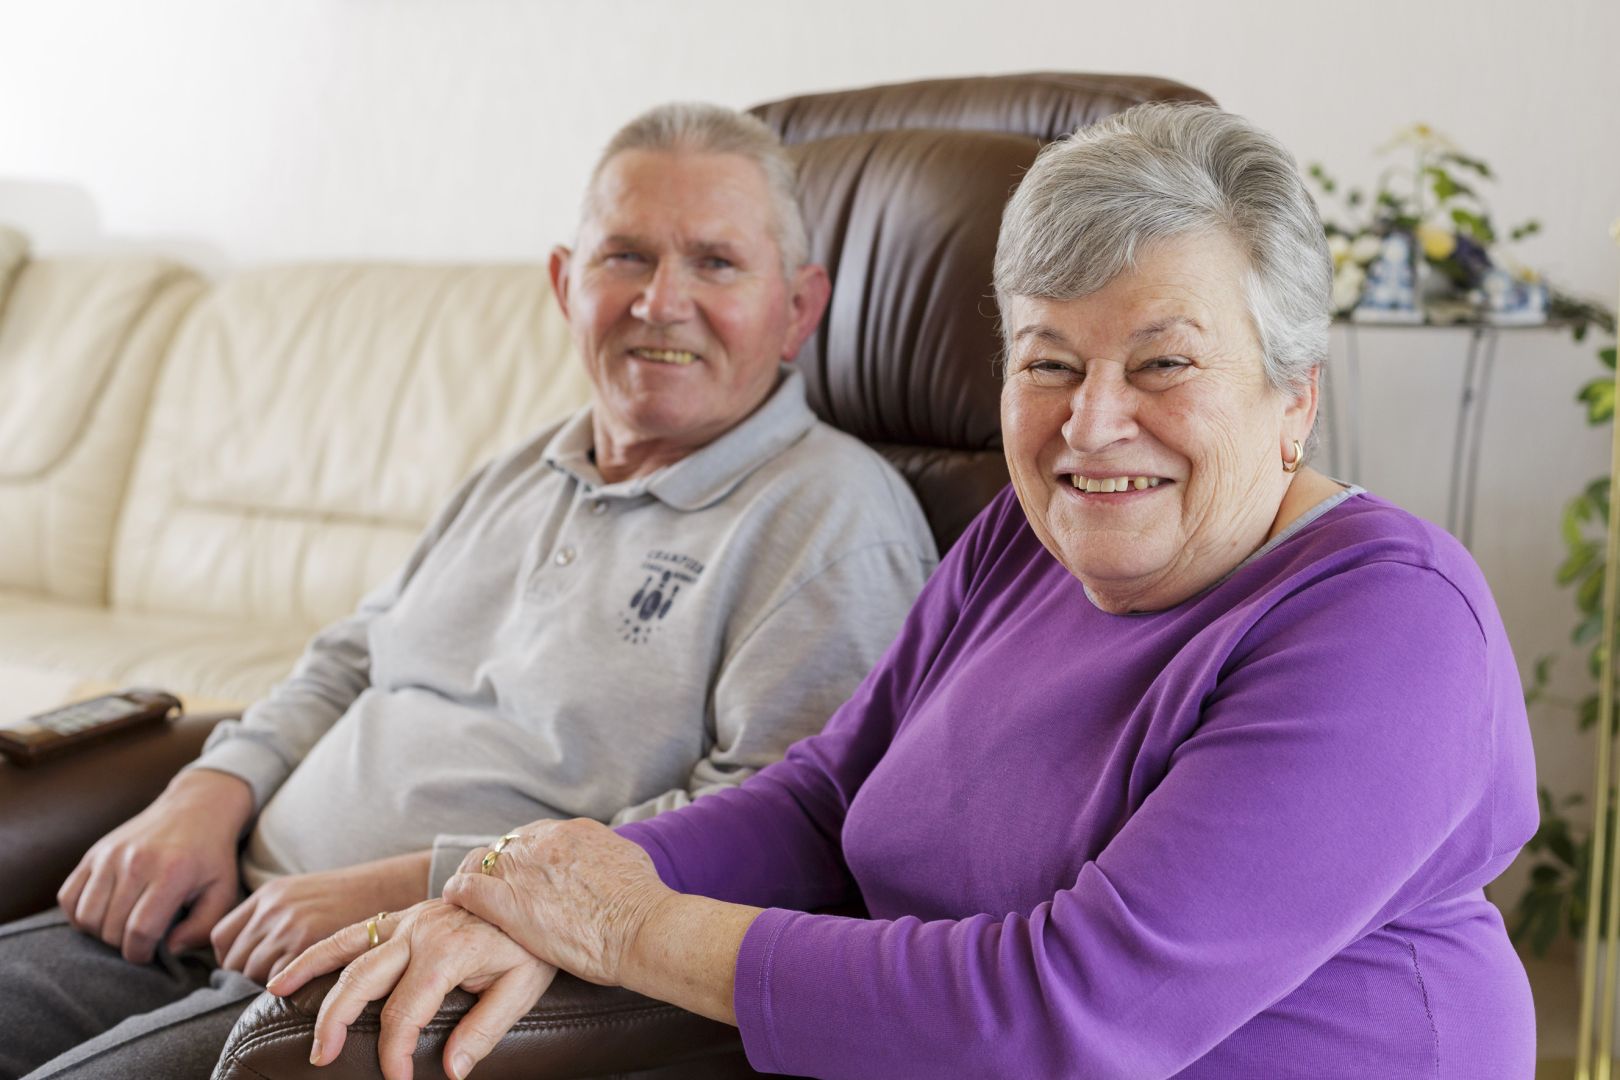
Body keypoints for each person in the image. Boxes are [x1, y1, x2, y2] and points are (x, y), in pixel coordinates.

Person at [277, 103, 1538, 1080]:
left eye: (1164, 363)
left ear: (1295, 396)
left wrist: (627, 931)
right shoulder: (1015, 543)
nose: (1093, 426)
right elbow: (825, 802)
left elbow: (1069, 1015)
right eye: (1049, 362)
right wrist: (544, 889)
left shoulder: (1390, 623)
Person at [0, 102, 938, 1080]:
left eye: (716, 263)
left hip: (389, 975)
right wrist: (209, 790)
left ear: (800, 306)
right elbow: (354, 654)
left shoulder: (832, 523)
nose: (662, 301)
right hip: (217, 911)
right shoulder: (525, 466)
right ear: (564, 283)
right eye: (625, 257)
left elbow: (772, 832)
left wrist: (432, 884)